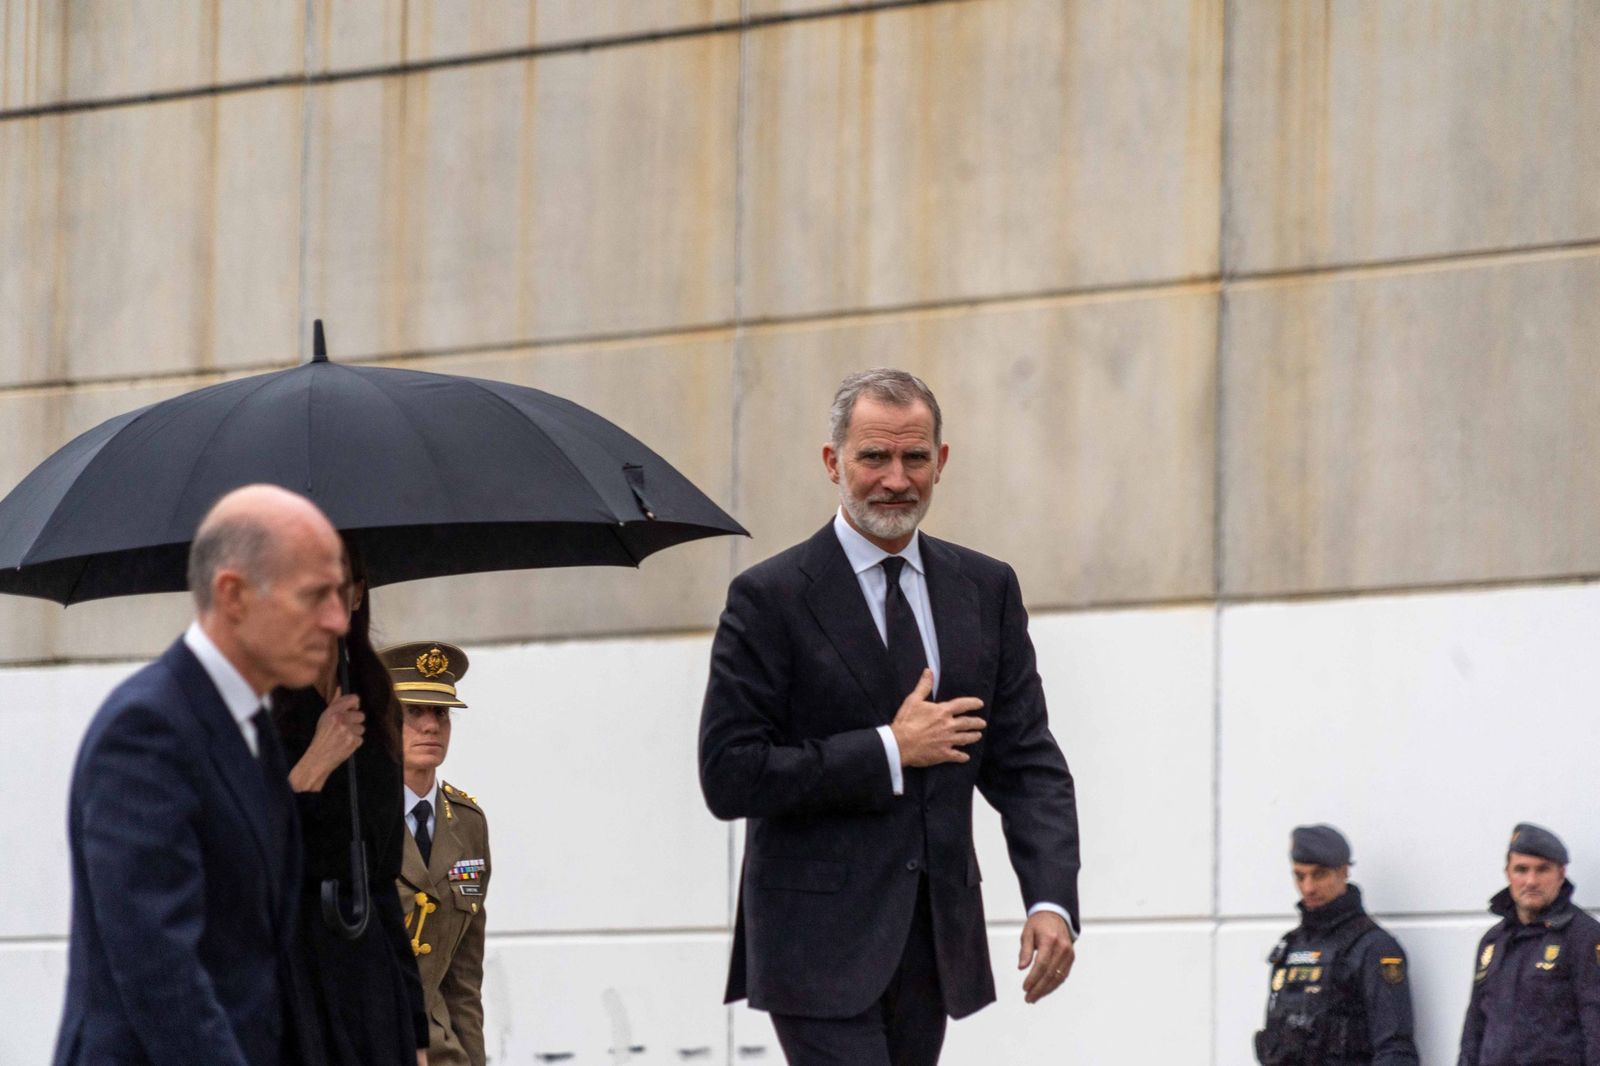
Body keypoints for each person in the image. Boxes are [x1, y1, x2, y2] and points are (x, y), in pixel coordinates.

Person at [698, 368, 1081, 1066]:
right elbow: (729, 775)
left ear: (941, 461)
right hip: (812, 945)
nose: (896, 479)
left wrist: (1050, 900)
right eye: (874, 456)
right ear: (833, 462)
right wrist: (888, 749)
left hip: (934, 943)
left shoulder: (985, 588)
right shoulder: (770, 598)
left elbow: (1026, 761)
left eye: (914, 458)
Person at [52, 484, 343, 1066]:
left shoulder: (249, 729)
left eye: (340, 593)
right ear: (232, 594)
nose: (337, 619)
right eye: (315, 596)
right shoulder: (147, 730)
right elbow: (159, 969)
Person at [272, 543, 428, 1066]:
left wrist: (417, 1031)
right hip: (289, 970)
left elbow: (381, 878)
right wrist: (316, 759)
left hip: (367, 973)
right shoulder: (254, 699)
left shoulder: (374, 693)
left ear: (359, 593)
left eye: (338, 584)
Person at [383, 641, 491, 1066]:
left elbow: (464, 976)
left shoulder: (467, 822)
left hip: (443, 1051)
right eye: (414, 711)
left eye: (441, 713)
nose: (431, 726)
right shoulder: (354, 816)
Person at [1253, 825, 1418, 1065]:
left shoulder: (1374, 948)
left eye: (1319, 875)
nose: (1308, 887)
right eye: (1300, 876)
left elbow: (1395, 1049)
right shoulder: (1290, 947)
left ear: (1343, 871)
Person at [1458, 823, 1600, 1065]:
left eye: (1542, 870)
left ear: (1561, 874)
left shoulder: (1584, 937)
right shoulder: (1493, 942)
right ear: (1508, 873)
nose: (1531, 881)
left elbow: (1595, 1026)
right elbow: (1475, 1029)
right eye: (1521, 870)